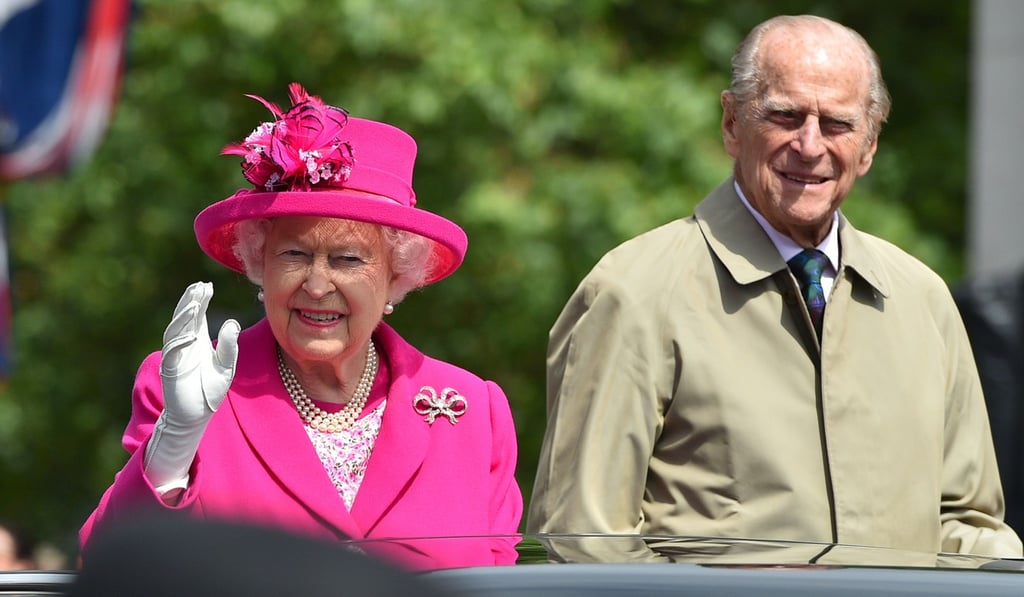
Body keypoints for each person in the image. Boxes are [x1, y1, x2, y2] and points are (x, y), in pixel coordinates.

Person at [527, 15, 1022, 561]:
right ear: (733, 122)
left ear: (870, 145)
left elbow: (965, 528)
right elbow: (586, 541)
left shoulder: (923, 300)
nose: (809, 146)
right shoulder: (633, 292)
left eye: (837, 124)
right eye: (785, 116)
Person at [79, 83, 523, 569]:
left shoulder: (473, 409)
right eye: (294, 254)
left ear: (397, 274)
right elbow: (108, 565)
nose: (316, 285)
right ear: (259, 264)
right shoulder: (190, 391)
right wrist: (173, 446)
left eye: (348, 259)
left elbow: (501, 580)